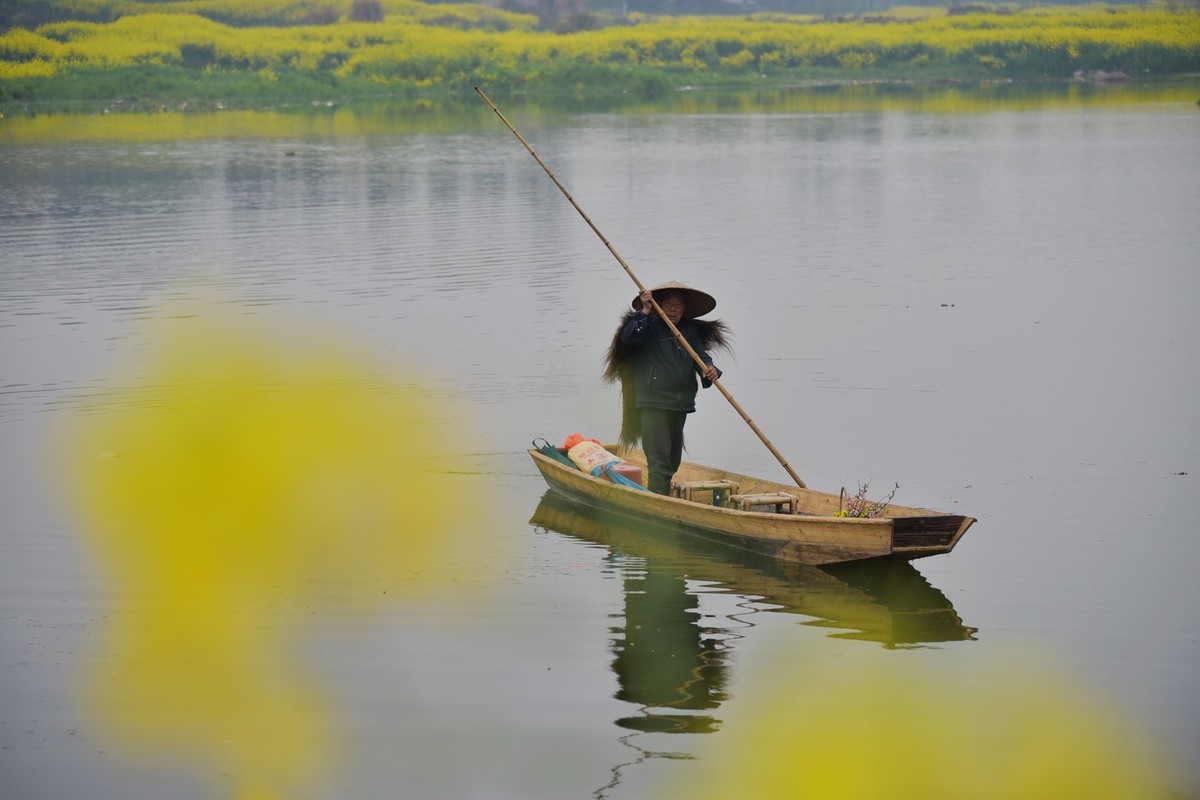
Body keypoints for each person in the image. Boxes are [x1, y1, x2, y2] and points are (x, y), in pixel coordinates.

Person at [603, 281, 732, 495]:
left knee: (672, 460)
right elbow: (628, 339)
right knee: (658, 458)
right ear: (658, 305)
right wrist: (644, 311)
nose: (673, 309)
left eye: (678, 305)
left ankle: (659, 492)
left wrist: (709, 369)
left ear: (685, 309)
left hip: (680, 401)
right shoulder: (648, 327)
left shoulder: (689, 330)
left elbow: (701, 355)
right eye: (668, 304)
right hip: (653, 401)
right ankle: (658, 502)